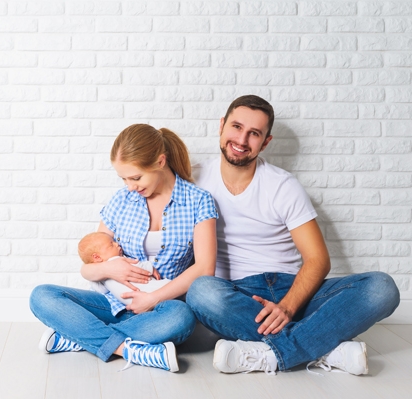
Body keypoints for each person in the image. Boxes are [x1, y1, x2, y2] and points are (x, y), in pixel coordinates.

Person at [187, 95, 400, 375]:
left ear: (266, 142)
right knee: (201, 291)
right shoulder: (194, 178)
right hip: (237, 296)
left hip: (294, 292)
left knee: (382, 288)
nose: (242, 139)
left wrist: (287, 307)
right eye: (236, 127)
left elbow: (318, 259)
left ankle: (274, 353)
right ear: (222, 126)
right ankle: (325, 347)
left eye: (254, 134)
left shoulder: (282, 185)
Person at [30, 124, 218, 372]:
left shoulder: (198, 201)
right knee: (41, 295)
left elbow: (205, 269)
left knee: (182, 318)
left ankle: (82, 338)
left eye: (136, 177)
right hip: (113, 305)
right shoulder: (121, 201)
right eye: (124, 179)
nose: (130, 186)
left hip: (161, 309)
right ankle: (129, 349)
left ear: (160, 161)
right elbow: (88, 268)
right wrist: (112, 270)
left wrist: (151, 299)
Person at [77, 231, 171, 306]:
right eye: (111, 245)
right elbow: (138, 266)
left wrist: (95, 282)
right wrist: (150, 268)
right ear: (97, 257)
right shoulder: (118, 260)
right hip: (148, 290)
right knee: (169, 285)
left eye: (115, 242)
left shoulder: (100, 277)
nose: (117, 244)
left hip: (129, 301)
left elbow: (102, 291)